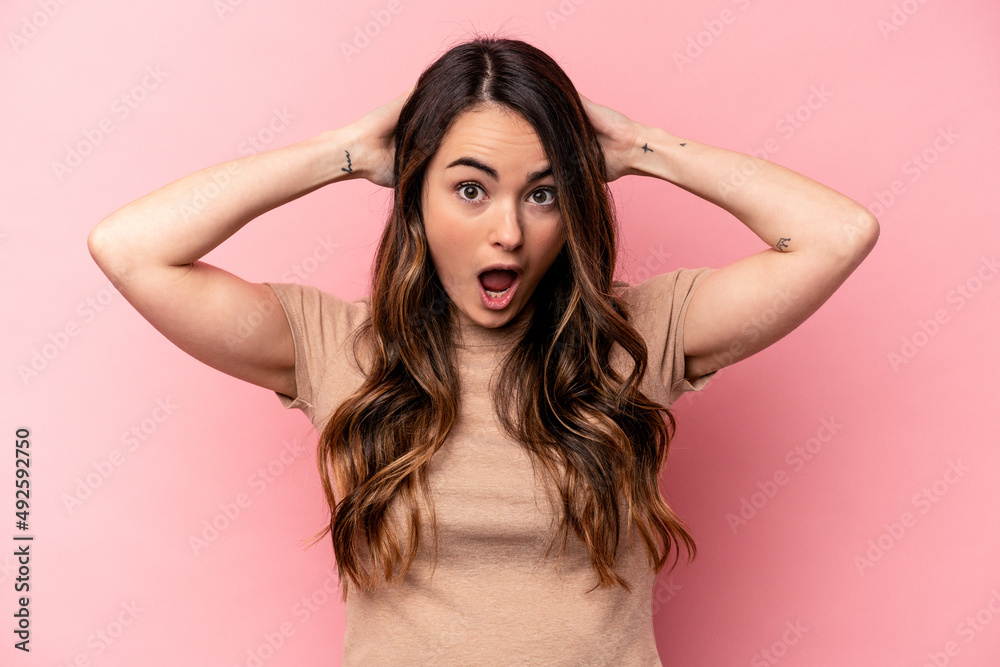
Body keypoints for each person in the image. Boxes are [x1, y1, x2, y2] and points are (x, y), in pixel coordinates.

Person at [88, 36, 877, 666]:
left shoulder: (637, 340)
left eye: (542, 192)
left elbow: (836, 234)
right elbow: (130, 249)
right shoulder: (338, 348)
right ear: (416, 196)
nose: (508, 231)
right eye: (470, 188)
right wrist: (346, 152)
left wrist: (641, 147)